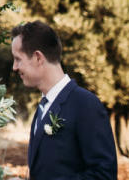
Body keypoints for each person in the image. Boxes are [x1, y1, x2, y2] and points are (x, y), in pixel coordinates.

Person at [11, 21, 117, 180]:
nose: (14, 67)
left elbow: (104, 175)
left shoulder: (86, 105)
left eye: (18, 59)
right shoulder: (42, 108)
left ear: (38, 57)